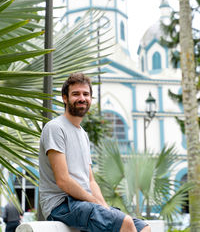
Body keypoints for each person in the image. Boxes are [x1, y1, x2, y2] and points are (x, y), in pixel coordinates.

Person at [39, 72, 151, 232]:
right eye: (75, 94)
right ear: (65, 98)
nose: (82, 98)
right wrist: (95, 203)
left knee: (144, 227)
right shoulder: (55, 128)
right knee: (126, 224)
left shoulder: (83, 134)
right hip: (62, 205)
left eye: (86, 94)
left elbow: (90, 180)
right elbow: (63, 180)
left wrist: (104, 206)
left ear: (91, 99)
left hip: (84, 204)